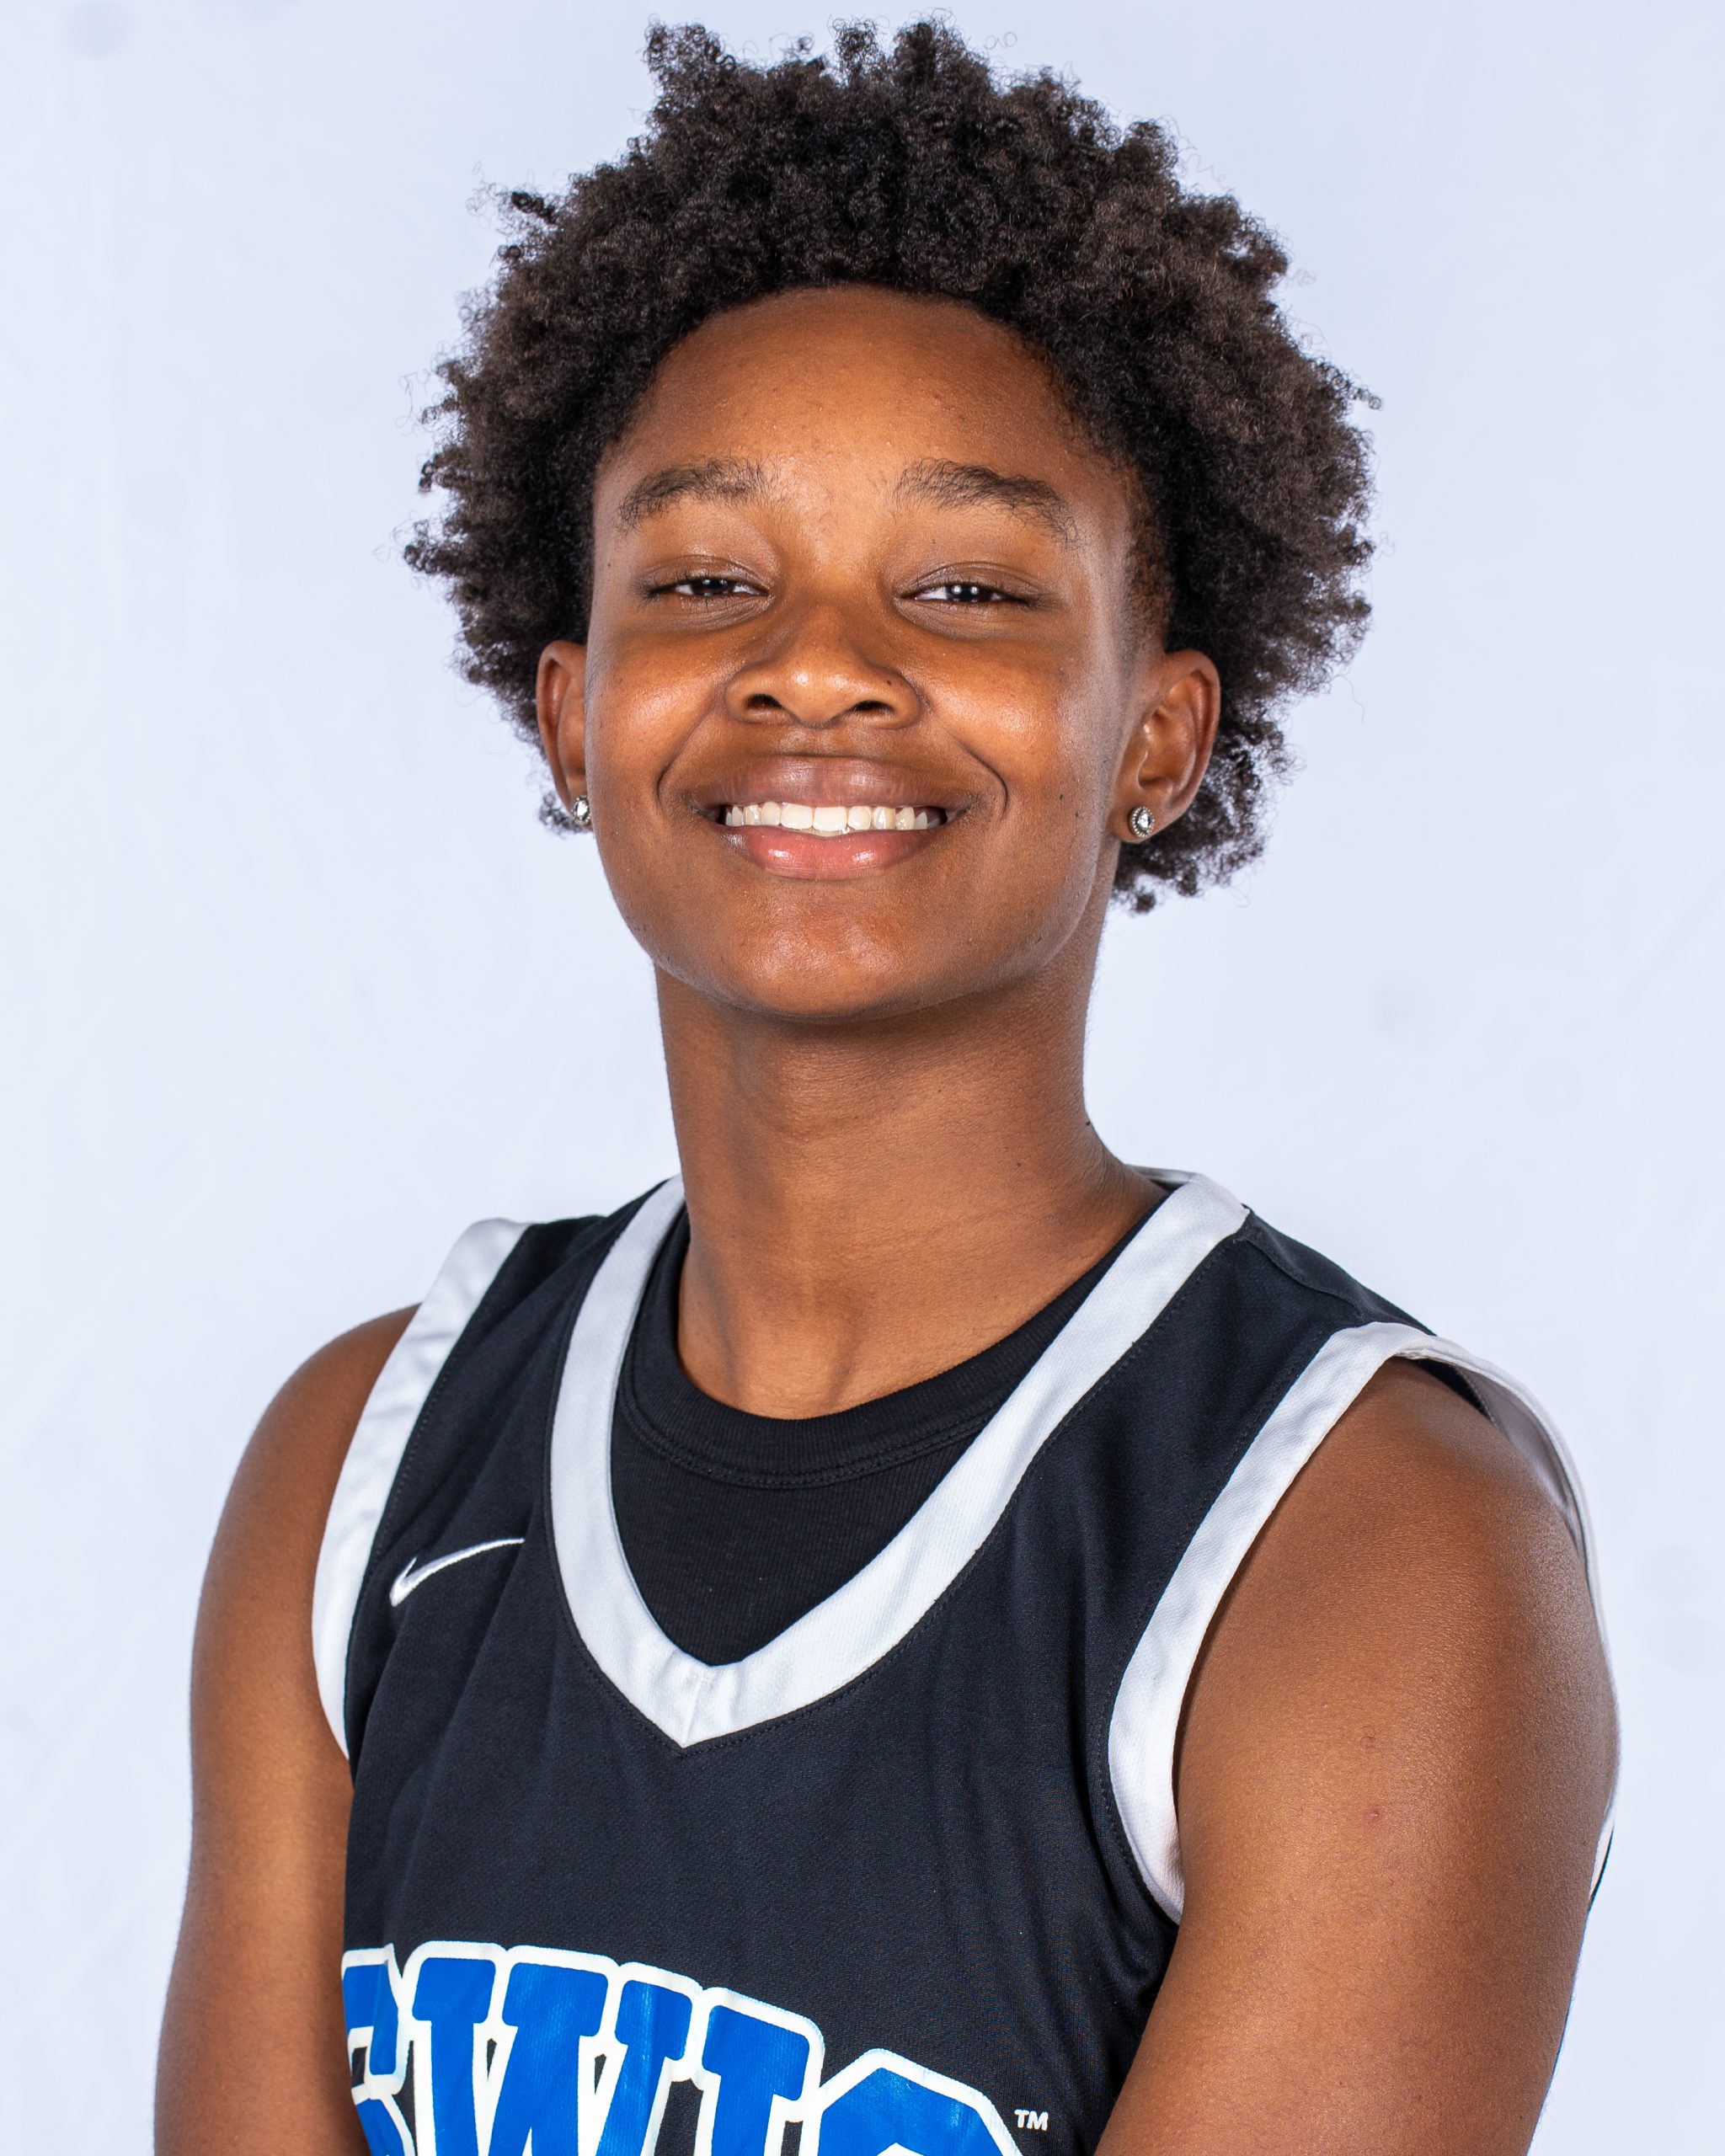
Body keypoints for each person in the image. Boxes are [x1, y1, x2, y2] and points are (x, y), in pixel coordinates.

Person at [155, 23, 1616, 2156]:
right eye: (704, 579)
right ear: (571, 710)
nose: (818, 662)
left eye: (965, 588)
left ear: (1155, 734)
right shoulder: (363, 1470)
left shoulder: (1363, 1542)